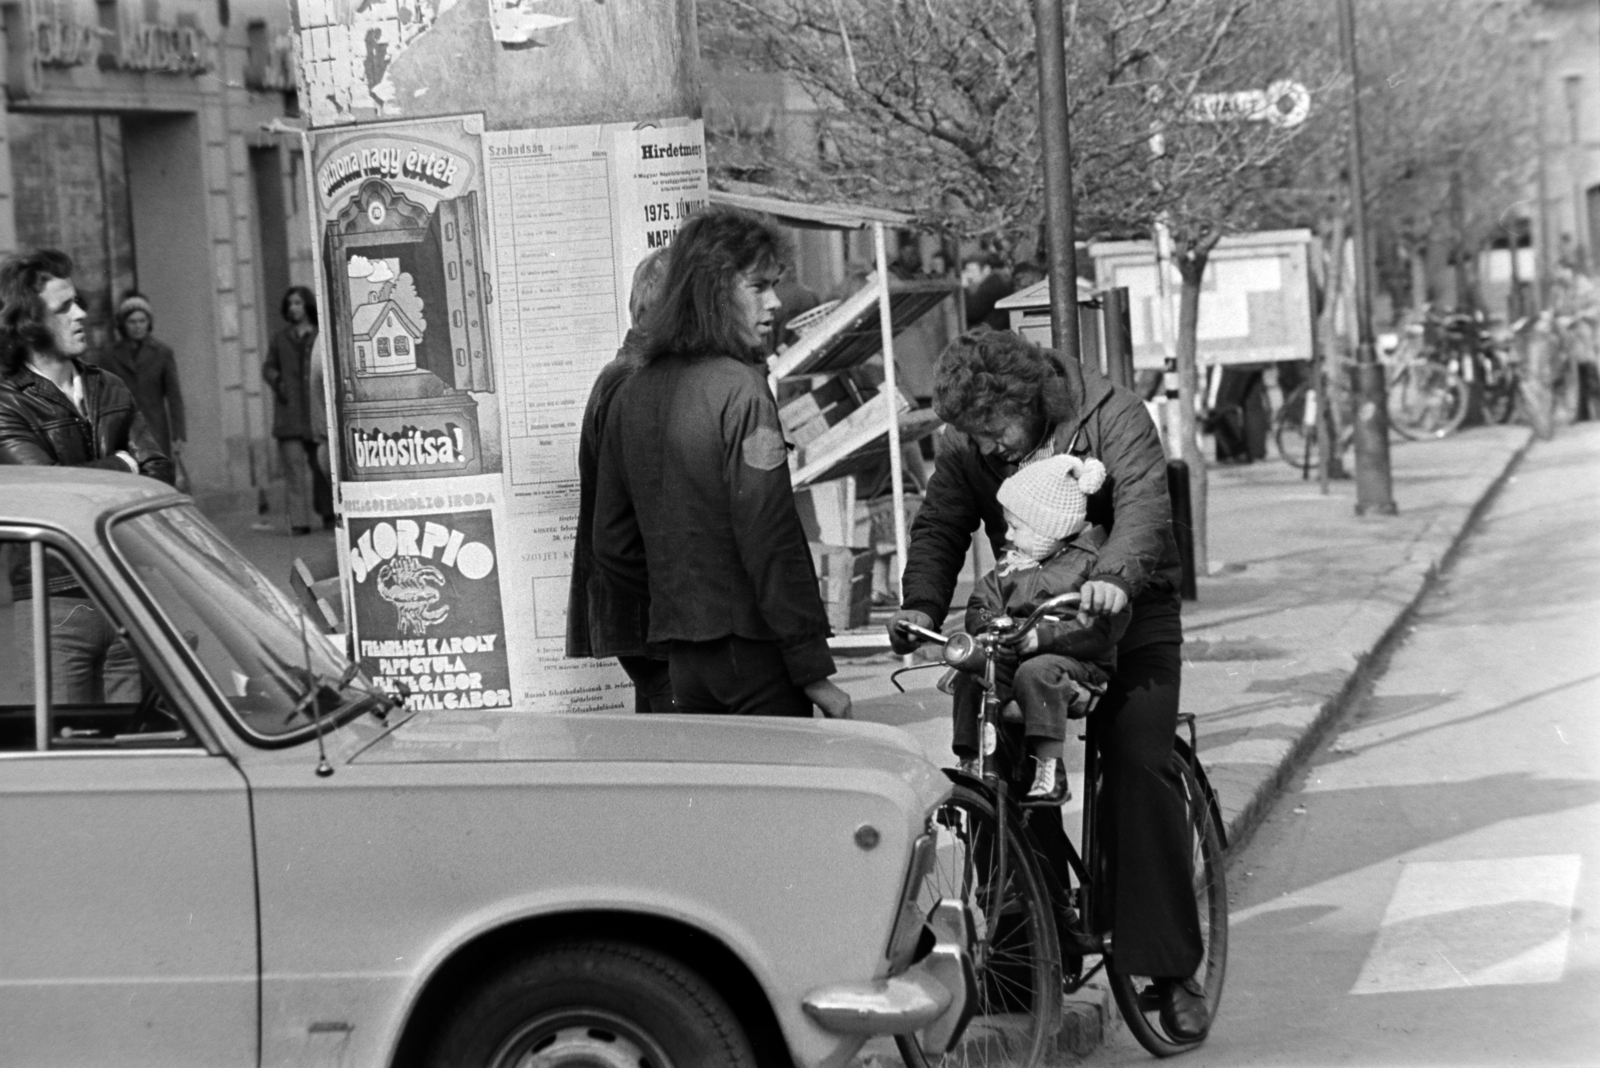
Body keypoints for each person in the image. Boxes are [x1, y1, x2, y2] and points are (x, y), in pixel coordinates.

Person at [887, 328, 1209, 1039]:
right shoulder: (974, 440)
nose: (991, 446)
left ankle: (1170, 968)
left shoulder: (1112, 413)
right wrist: (918, 602)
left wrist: (1115, 583)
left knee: (1136, 764)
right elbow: (942, 524)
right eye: (975, 435)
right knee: (999, 768)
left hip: (1130, 606)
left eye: (996, 428)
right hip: (1033, 611)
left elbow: (1144, 511)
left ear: (1026, 399)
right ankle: (1027, 950)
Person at [592, 207, 852, 720]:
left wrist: (674, 619)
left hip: (682, 657)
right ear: (714, 290)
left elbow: (612, 544)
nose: (774, 302)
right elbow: (771, 537)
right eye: (758, 286)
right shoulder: (741, 391)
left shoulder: (633, 390)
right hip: (755, 653)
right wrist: (813, 671)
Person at [0, 248, 172, 704]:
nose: (80, 315)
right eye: (63, 308)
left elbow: (160, 473)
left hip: (125, 588)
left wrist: (130, 471)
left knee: (139, 748)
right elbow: (48, 495)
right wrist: (124, 467)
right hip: (54, 600)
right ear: (29, 323)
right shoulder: (7, 401)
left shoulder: (107, 385)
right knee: (70, 748)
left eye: (78, 303)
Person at [952, 454, 1128, 802]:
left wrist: (1042, 638)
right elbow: (981, 600)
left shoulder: (1091, 563)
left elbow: (1099, 626)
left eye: (1018, 527)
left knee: (1037, 671)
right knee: (969, 673)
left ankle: (1050, 767)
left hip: (1076, 662)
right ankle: (970, 760)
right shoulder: (1014, 562)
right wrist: (987, 625)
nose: (1009, 535)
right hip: (1015, 653)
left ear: (1053, 528)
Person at [567, 250, 675, 714]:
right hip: (648, 615)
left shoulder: (630, 374)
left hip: (643, 612)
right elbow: (632, 524)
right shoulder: (636, 382)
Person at [264, 286, 334, 534]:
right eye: (290, 303)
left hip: (316, 411)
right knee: (294, 470)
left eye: (298, 303)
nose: (294, 308)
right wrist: (278, 382)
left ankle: (328, 513)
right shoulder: (280, 338)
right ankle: (299, 521)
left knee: (322, 463)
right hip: (290, 413)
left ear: (308, 307)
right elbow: (268, 367)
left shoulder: (319, 336)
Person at [95, 292, 187, 465]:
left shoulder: (162, 353)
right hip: (122, 431)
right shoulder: (109, 355)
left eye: (142, 321)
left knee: (156, 476)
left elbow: (174, 398)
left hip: (155, 429)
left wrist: (178, 435)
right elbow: (102, 396)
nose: (138, 326)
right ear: (123, 324)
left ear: (149, 323)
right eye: (132, 321)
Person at [960, 253, 1013, 331]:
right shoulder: (997, 280)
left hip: (991, 333)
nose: (968, 276)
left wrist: (964, 287)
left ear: (986, 270)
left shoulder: (993, 283)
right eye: (967, 271)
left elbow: (972, 311)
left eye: (972, 271)